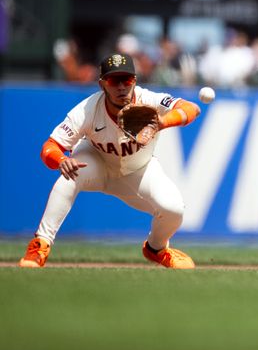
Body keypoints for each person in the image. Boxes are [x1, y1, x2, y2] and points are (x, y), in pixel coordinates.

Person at [19, 53, 201, 269]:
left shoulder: (148, 100)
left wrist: (162, 121)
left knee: (174, 209)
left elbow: (192, 108)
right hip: (96, 163)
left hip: (139, 170)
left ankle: (156, 249)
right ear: (102, 84)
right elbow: (49, 147)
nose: (122, 86)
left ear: (135, 80)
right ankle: (40, 245)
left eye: (128, 79)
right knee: (70, 176)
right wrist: (60, 159)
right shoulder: (87, 110)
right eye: (115, 81)